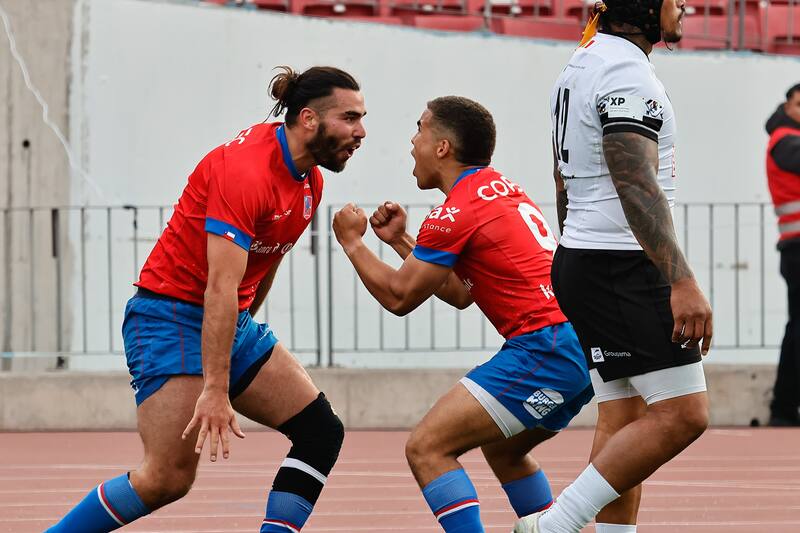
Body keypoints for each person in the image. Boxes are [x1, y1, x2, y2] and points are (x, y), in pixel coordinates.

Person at [45, 65, 366, 533]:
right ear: (309, 120)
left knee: (321, 433)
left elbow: (263, 263)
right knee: (166, 479)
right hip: (168, 316)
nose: (361, 132)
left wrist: (240, 335)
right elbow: (220, 285)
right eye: (350, 118)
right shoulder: (247, 171)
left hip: (227, 316)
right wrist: (216, 389)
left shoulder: (310, 182)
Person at [332, 96, 593, 533]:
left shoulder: (455, 210)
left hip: (544, 347)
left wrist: (353, 243)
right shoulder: (496, 189)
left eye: (419, 130)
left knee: (428, 447)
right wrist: (401, 242)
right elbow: (457, 293)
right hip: (577, 347)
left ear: (442, 147)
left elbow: (399, 297)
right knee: (504, 450)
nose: (411, 142)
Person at [514, 1, 712, 532]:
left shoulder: (584, 60)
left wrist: (573, 249)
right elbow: (635, 182)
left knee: (623, 416)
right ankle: (553, 525)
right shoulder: (625, 69)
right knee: (685, 413)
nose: (686, 6)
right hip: (621, 262)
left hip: (586, 254)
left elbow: (562, 176)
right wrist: (681, 279)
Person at [766, 83, 800, 427]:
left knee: (796, 328)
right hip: (797, 248)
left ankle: (784, 406)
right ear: (786, 106)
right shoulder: (785, 141)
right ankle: (784, 406)